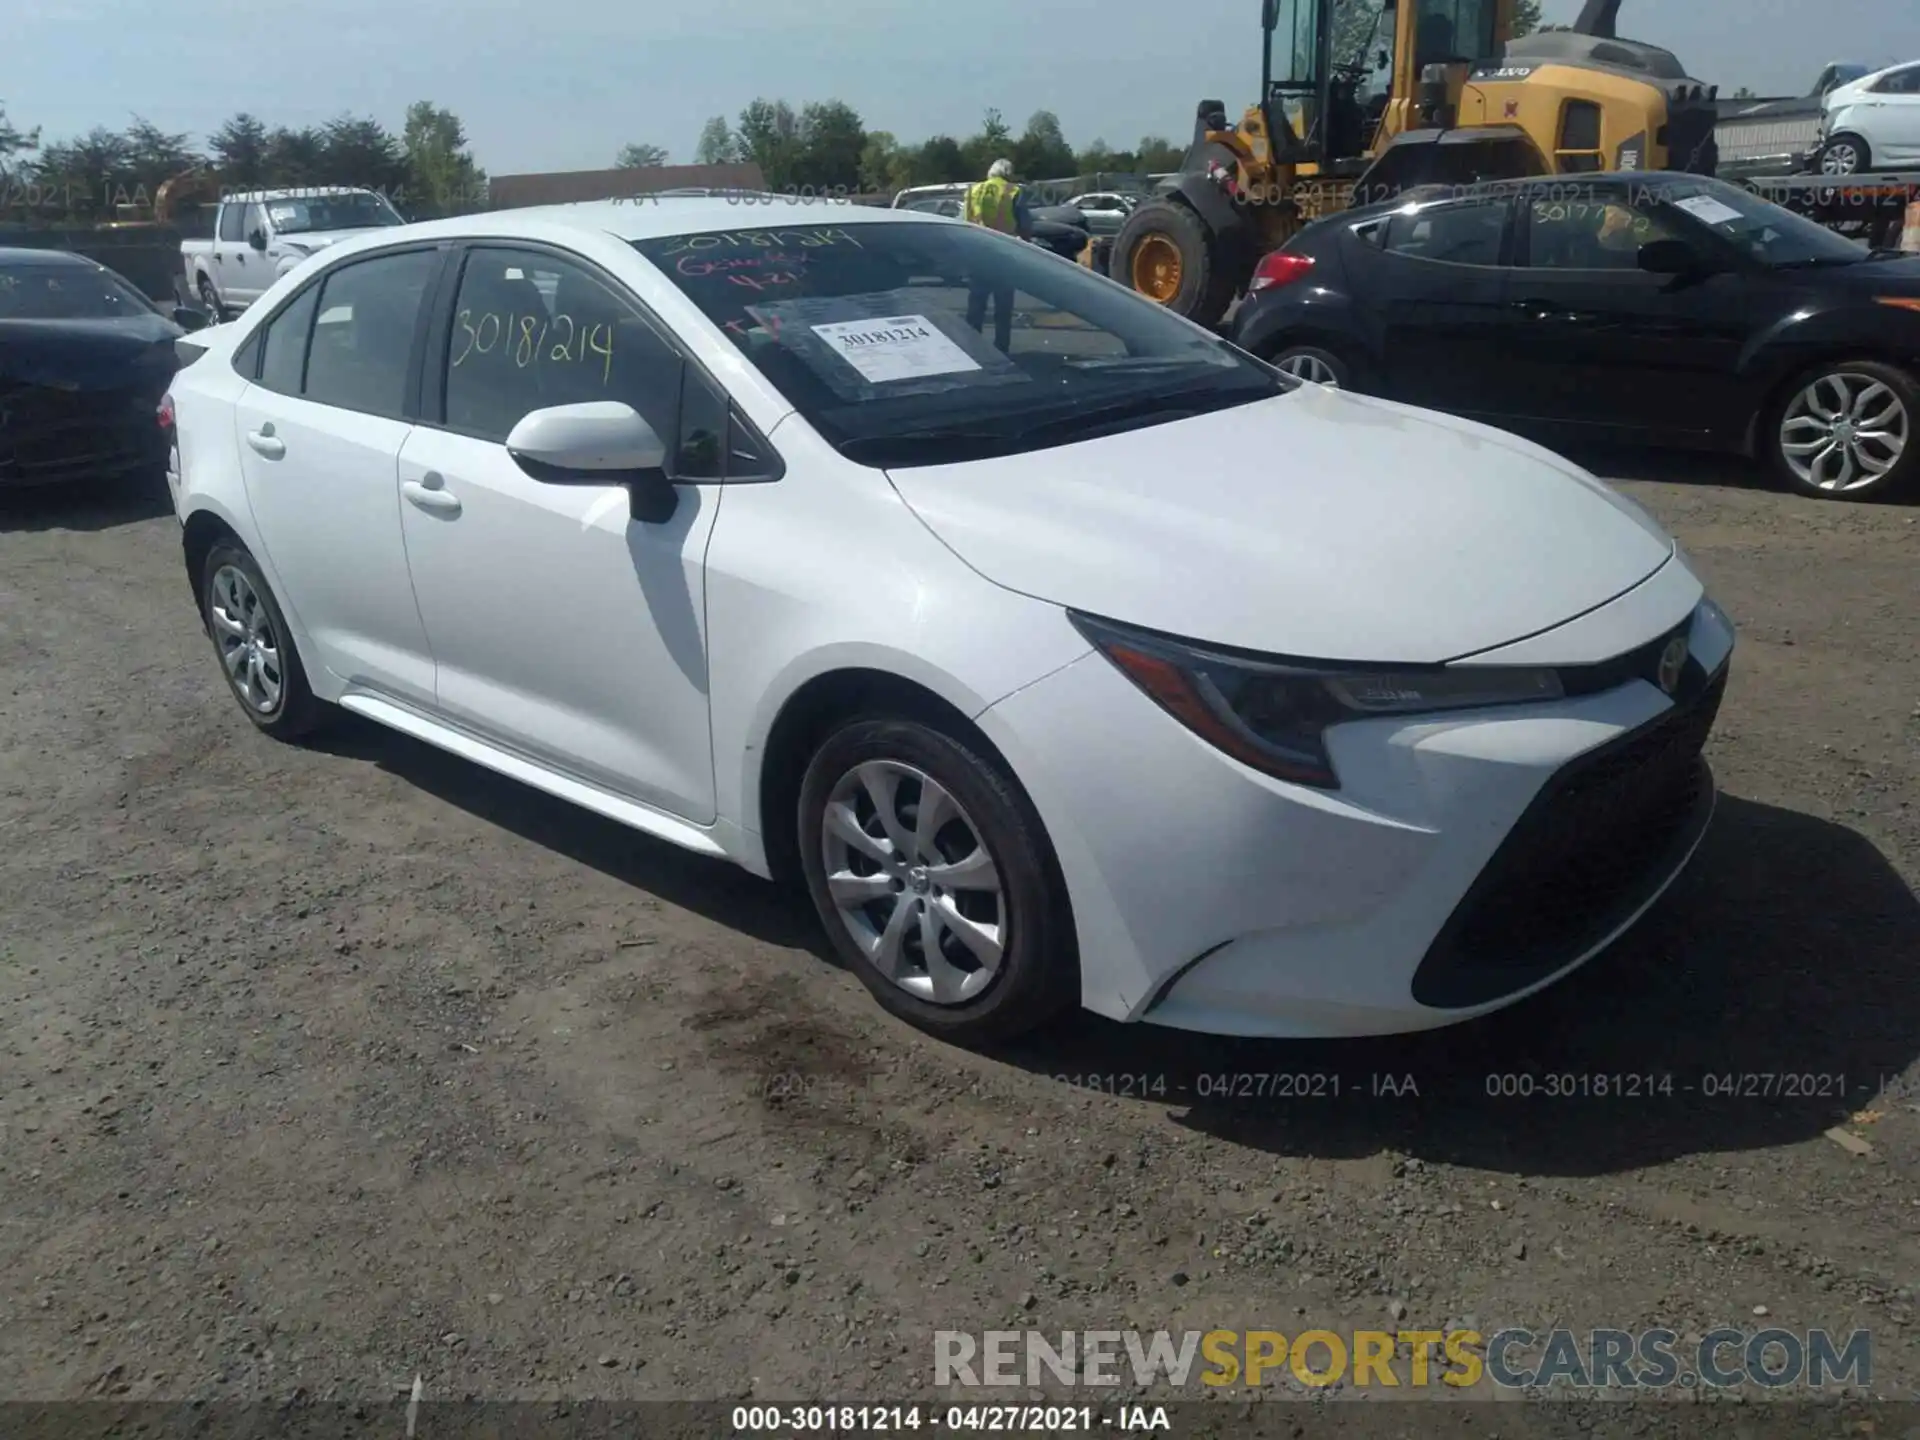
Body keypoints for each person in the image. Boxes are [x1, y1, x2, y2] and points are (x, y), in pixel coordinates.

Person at [962, 159, 1033, 354]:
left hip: (976, 253)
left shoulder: (972, 191)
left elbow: (961, 223)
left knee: (976, 305)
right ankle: (1001, 349)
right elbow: (1025, 226)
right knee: (1003, 307)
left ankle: (972, 347)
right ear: (1008, 173)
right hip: (1003, 255)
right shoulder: (1013, 191)